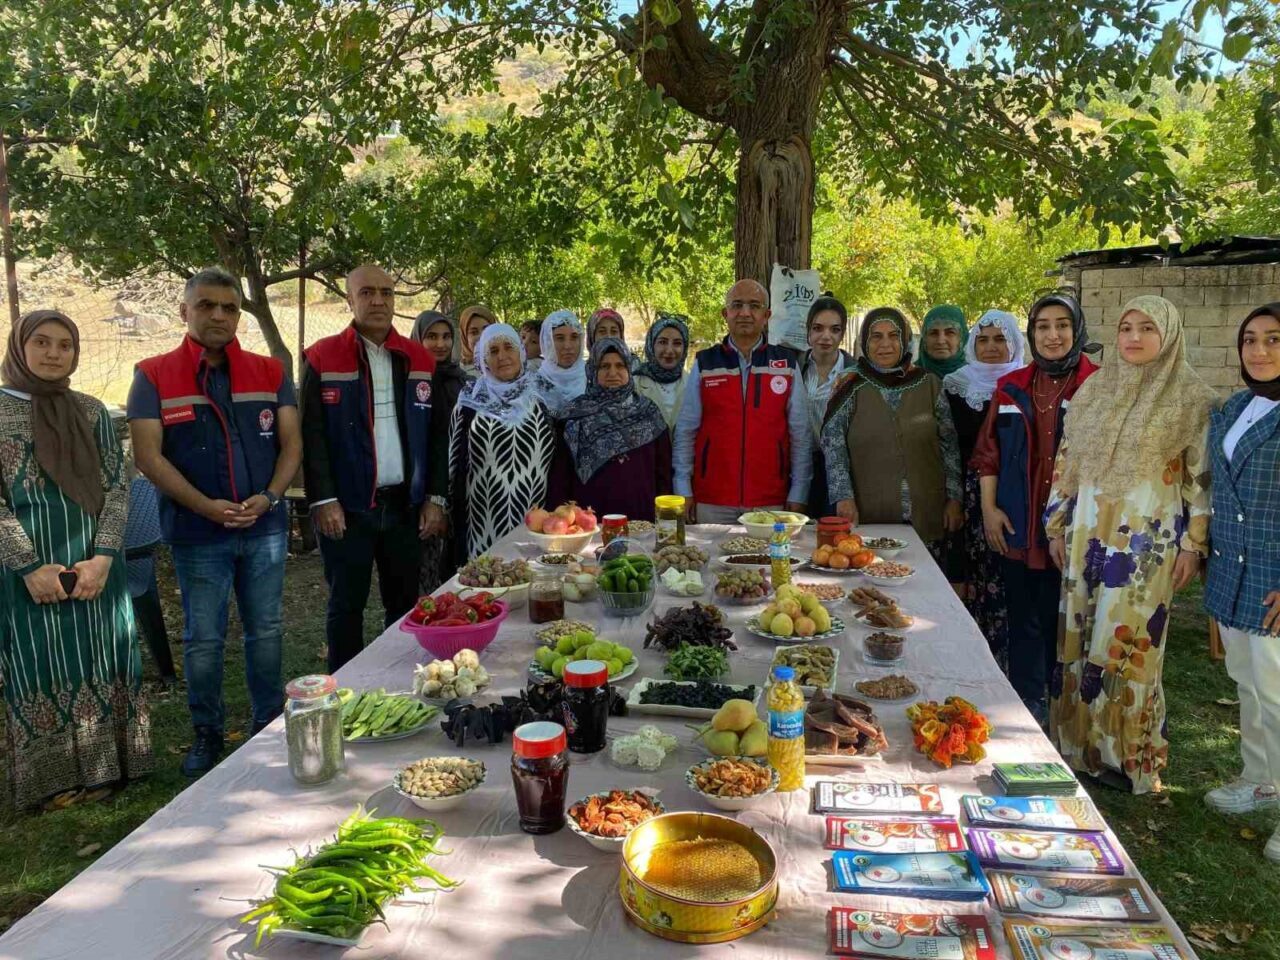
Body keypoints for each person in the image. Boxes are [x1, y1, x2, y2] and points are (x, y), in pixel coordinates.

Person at [129, 268, 299, 776]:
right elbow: (147, 456)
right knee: (204, 637)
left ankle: (268, 723)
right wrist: (206, 505)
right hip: (199, 533)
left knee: (265, 629)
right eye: (206, 306)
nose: (219, 315)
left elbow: (291, 444)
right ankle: (206, 732)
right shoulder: (154, 374)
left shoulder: (270, 372)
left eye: (229, 307)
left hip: (264, 528)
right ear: (184, 311)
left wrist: (270, 497)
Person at [1045, 295, 1217, 794]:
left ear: (1169, 334)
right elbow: (1067, 465)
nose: (1134, 338)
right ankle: (1077, 748)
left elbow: (1200, 481)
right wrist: (1056, 524)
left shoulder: (1192, 399)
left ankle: (1127, 758)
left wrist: (1193, 544)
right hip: (1087, 536)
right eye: (1125, 327)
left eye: (1147, 328)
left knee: (1128, 643)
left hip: (1149, 541)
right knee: (1079, 632)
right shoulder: (1094, 392)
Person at [2, 310, 152, 807]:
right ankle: (51, 781)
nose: (52, 353)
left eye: (64, 345)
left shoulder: (91, 412)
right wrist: (28, 566)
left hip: (95, 563)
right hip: (23, 572)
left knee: (103, 658)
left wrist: (105, 558)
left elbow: (116, 489)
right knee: (39, 665)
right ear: (19, 347)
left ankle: (109, 768)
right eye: (41, 342)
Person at [300, 263, 436, 673]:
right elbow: (311, 434)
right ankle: (346, 686)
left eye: (386, 292)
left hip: (404, 507)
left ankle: (404, 681)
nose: (378, 300)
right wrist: (323, 499)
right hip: (348, 508)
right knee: (346, 606)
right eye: (366, 293)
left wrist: (434, 498)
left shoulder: (418, 358)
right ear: (349, 299)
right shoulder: (323, 356)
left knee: (404, 604)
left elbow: (435, 437)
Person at [970, 293, 1098, 722]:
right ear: (1032, 334)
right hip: (1018, 524)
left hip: (1076, 528)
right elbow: (988, 453)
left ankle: (1070, 711)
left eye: (1062, 324)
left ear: (1077, 329)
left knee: (1065, 620)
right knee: (1023, 618)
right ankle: (1028, 709)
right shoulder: (1011, 386)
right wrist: (989, 509)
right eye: (1043, 326)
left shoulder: (1097, 386)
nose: (1053, 334)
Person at [1204, 302, 1280, 858]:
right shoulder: (1233, 408)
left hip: (1275, 577)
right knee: (1249, 685)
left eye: (1274, 339)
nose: (1260, 350)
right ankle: (1260, 777)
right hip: (1234, 574)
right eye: (1251, 339)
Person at [821, 307, 963, 554]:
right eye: (876, 336)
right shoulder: (849, 384)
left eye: (893, 336)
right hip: (869, 509)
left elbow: (949, 446)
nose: (885, 344)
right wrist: (843, 497)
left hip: (927, 510)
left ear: (905, 340)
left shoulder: (929, 383)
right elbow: (833, 447)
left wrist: (954, 499)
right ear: (865, 341)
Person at [673, 280, 812, 523]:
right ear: (725, 314)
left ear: (766, 315)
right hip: (712, 500)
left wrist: (799, 492)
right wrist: (683, 489)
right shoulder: (706, 363)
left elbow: (800, 435)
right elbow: (686, 431)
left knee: (771, 562)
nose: (745, 313)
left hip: (770, 500)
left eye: (754, 306)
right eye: (737, 305)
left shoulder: (786, 364)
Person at [940, 310, 1025, 667]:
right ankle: (967, 663)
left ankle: (1008, 667)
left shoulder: (1025, 385)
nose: (991, 347)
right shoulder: (955, 385)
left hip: (1017, 496)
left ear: (1015, 344)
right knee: (968, 580)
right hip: (967, 497)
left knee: (1011, 583)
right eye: (984, 339)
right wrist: (955, 497)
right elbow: (946, 446)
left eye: (1000, 339)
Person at [447, 324, 558, 559]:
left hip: (537, 521)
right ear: (483, 360)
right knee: (489, 586)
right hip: (483, 522)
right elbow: (454, 465)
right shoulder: (470, 401)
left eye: (509, 347)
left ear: (521, 351)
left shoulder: (544, 398)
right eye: (493, 351)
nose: (503, 356)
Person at [549, 338, 672, 520]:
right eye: (604, 366)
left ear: (629, 370)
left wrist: (666, 518)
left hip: (641, 520)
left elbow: (664, 474)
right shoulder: (573, 416)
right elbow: (560, 479)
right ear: (592, 371)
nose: (612, 372)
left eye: (620, 365)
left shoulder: (649, 413)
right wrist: (558, 520)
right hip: (589, 522)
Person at [413, 310, 466, 594]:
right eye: (431, 336)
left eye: (446, 336)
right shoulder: (410, 381)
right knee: (423, 577)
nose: (440, 344)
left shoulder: (463, 383)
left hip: (459, 489)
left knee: (455, 571)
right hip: (421, 492)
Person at [799, 294, 855, 518]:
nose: (826, 336)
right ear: (808, 330)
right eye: (818, 328)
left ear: (842, 333)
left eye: (834, 329)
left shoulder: (854, 373)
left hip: (841, 469)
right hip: (801, 467)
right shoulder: (795, 367)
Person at [633, 312, 690, 430]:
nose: (669, 350)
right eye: (662, 342)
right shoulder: (634, 384)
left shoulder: (694, 383)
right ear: (651, 345)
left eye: (677, 343)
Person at [531, 309, 587, 417]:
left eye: (574, 337)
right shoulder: (535, 384)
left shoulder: (592, 378)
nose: (568, 346)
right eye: (560, 338)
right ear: (548, 342)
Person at [916, 305, 968, 379]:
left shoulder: (979, 380)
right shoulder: (907, 379)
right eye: (933, 333)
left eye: (950, 332)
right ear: (924, 338)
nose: (940, 341)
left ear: (962, 338)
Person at [459, 304, 496, 379]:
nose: (482, 336)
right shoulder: (459, 374)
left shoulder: (507, 363)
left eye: (486, 329)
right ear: (465, 338)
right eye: (474, 332)